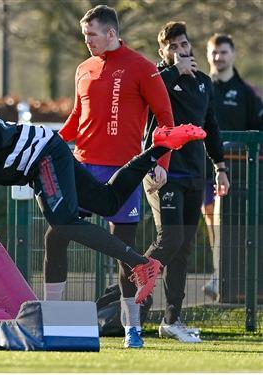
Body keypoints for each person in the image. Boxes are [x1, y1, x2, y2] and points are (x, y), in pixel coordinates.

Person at [0, 86, 205, 318]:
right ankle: (159, 146)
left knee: (64, 224)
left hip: (42, 159)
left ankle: (141, 264)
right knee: (108, 201)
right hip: (47, 146)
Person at [55, 4, 175, 349]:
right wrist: (48, 146)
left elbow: (165, 118)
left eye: (92, 34)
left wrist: (161, 162)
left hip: (123, 174)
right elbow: (76, 118)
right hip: (81, 169)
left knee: (125, 255)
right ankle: (53, 318)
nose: (87, 41)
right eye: (84, 35)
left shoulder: (143, 68)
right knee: (56, 236)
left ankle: (132, 330)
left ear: (111, 33)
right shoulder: (83, 68)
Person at [142, 22, 230, 343]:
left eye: (184, 44)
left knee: (183, 248)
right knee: (170, 240)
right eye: (173, 46)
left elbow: (212, 128)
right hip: (164, 173)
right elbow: (146, 98)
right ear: (163, 51)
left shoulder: (204, 83)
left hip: (195, 176)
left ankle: (172, 319)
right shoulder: (158, 79)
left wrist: (219, 166)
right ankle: (131, 293)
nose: (181, 50)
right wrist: (174, 71)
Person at [201, 34, 263, 300]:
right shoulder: (201, 88)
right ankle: (218, 275)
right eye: (214, 52)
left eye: (224, 52)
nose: (219, 57)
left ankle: (228, 281)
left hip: (236, 174)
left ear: (233, 54)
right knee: (211, 221)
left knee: (229, 224)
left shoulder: (247, 93)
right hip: (203, 170)